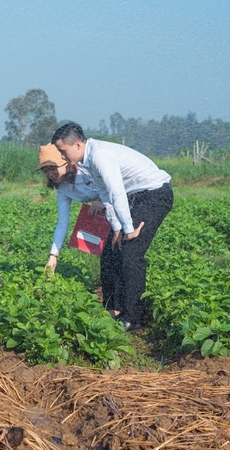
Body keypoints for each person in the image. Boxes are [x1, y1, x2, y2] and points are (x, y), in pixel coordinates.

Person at [52, 122, 173, 332]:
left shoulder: (100, 155)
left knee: (131, 252)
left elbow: (117, 192)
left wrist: (128, 230)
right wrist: (117, 227)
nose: (63, 157)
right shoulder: (89, 160)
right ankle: (115, 309)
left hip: (154, 194)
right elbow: (107, 195)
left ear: (78, 144)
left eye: (63, 151)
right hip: (138, 198)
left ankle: (134, 318)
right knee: (110, 250)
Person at [36, 144, 103, 274]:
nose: (50, 174)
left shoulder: (89, 169)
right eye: (45, 170)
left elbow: (118, 186)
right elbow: (62, 223)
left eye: (53, 168)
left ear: (65, 161)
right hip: (109, 215)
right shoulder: (63, 188)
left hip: (129, 203)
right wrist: (53, 256)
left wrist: (102, 201)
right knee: (108, 255)